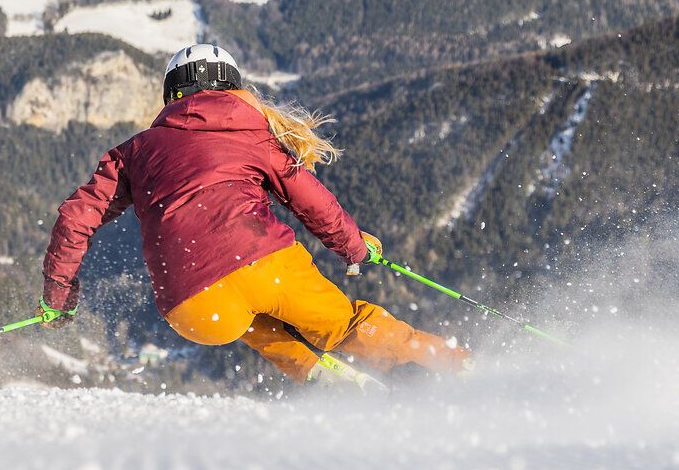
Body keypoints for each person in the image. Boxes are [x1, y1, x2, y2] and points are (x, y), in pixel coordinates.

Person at [39, 43, 470, 385]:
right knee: (343, 325)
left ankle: (320, 376)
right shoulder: (256, 135)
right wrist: (355, 250)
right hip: (266, 267)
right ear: (234, 88)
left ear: (171, 96)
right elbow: (313, 203)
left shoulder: (133, 152)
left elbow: (77, 217)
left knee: (251, 321)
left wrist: (58, 297)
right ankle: (460, 368)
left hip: (191, 308)